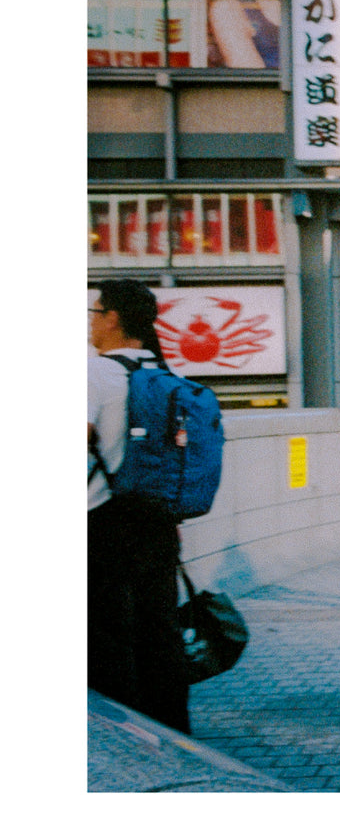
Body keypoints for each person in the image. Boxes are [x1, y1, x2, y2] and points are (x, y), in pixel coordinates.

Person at [88, 279, 191, 733]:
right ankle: (173, 733)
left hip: (101, 521)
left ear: (113, 318)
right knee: (159, 631)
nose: (90, 321)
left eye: (95, 311)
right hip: (157, 520)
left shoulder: (93, 374)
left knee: (106, 637)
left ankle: (122, 740)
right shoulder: (164, 374)